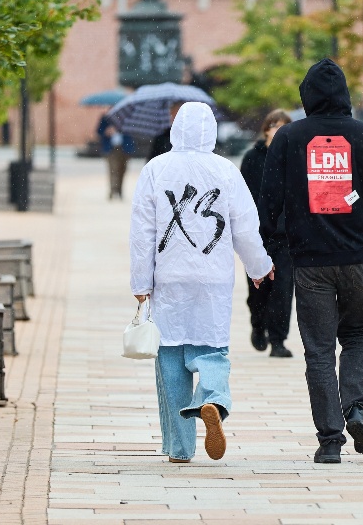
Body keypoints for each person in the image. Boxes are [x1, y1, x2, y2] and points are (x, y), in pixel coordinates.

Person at [258, 59, 363, 465]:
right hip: (359, 257)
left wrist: (267, 246)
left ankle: (329, 440)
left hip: (309, 260)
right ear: (344, 94)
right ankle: (357, 407)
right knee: (357, 334)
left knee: (319, 349)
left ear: (306, 96)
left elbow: (268, 198)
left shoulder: (289, 137)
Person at [129, 101, 274, 463]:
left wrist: (141, 282)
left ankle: (180, 448)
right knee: (211, 348)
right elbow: (245, 225)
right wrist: (259, 266)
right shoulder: (225, 171)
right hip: (213, 279)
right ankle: (212, 399)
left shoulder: (155, 169)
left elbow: (142, 232)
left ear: (176, 129)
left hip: (169, 277)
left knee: (170, 358)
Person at [239, 109, 295, 358]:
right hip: (256, 233)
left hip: (286, 235)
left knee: (283, 289)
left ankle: (278, 340)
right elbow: (241, 195)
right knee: (258, 288)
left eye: (283, 126)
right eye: (274, 125)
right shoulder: (252, 157)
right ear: (265, 129)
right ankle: (258, 324)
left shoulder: (295, 157)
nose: (278, 130)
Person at [97, 114, 135, 199]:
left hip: (124, 148)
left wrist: (120, 129)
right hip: (111, 149)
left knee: (122, 170)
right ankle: (113, 191)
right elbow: (99, 131)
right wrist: (106, 131)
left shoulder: (127, 118)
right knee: (113, 170)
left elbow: (132, 131)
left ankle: (119, 191)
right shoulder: (106, 118)